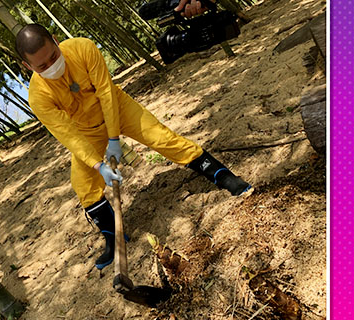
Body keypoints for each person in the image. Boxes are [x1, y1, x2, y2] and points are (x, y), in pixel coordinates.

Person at [15, 24, 251, 270]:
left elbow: (106, 92)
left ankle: (224, 177)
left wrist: (114, 138)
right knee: (83, 185)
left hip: (118, 108)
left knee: (162, 138)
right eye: (42, 66)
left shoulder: (81, 47)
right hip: (86, 131)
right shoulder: (38, 96)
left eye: (53, 56)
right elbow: (68, 135)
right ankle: (114, 237)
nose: (51, 65)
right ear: (27, 66)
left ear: (55, 40)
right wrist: (98, 165)